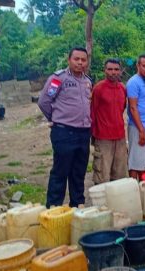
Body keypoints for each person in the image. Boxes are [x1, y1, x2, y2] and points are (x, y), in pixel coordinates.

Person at [38, 47, 92, 208]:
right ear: (69, 60)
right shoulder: (58, 79)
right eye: (77, 59)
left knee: (79, 172)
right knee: (60, 172)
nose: (80, 63)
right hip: (64, 132)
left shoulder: (87, 81)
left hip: (83, 133)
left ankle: (77, 205)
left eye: (83, 60)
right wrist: (54, 118)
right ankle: (54, 207)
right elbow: (44, 102)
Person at [90, 59, 128, 183]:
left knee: (120, 174)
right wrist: (93, 136)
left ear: (120, 71)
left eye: (116, 69)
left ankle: (116, 201)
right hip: (103, 138)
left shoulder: (122, 88)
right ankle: (102, 202)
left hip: (120, 137)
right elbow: (92, 112)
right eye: (110, 69)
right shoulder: (99, 89)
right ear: (105, 70)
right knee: (102, 175)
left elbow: (122, 108)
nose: (113, 72)